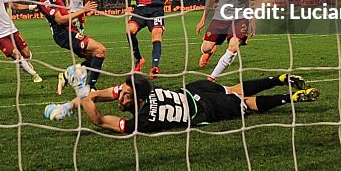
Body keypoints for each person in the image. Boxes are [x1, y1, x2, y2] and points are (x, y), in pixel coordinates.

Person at [46, 66, 318, 133]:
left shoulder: (143, 121)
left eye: (124, 95)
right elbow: (100, 97)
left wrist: (82, 94)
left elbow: (98, 119)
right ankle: (279, 79)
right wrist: (71, 104)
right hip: (193, 90)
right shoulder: (143, 88)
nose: (119, 96)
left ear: (135, 98)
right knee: (233, 88)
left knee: (246, 104)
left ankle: (290, 97)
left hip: (203, 109)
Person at [32, 0, 107, 93]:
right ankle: (90, 88)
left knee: (93, 58)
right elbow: (60, 20)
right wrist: (83, 10)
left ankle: (67, 75)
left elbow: (64, 13)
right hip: (63, 33)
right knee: (100, 50)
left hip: (69, 30)